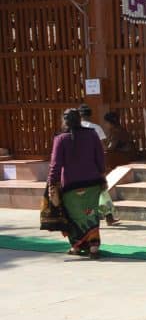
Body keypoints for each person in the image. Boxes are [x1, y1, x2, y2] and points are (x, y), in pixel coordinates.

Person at [46, 108, 107, 258]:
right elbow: (100, 158)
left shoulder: (60, 139)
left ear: (64, 121)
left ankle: (76, 246)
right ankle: (93, 247)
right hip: (93, 183)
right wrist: (102, 175)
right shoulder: (92, 134)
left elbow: (55, 165)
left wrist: (52, 183)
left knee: (73, 217)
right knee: (91, 215)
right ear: (79, 119)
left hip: (71, 186)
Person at [77, 104, 117, 224]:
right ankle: (108, 215)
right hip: (93, 164)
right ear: (90, 115)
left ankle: (87, 217)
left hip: (78, 165)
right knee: (101, 190)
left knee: (82, 192)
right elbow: (103, 146)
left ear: (79, 115)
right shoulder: (96, 128)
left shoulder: (73, 128)